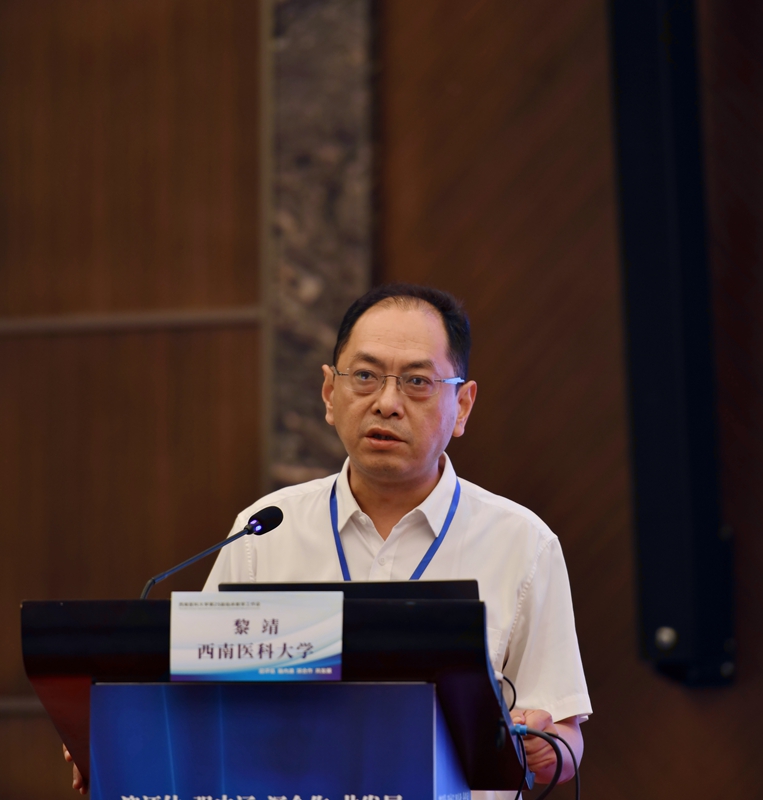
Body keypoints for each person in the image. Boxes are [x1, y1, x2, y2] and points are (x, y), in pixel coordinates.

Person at [65, 283, 591, 796]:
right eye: (364, 376)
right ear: (329, 394)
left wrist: (545, 748)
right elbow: (197, 700)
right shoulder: (262, 532)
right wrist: (119, 740)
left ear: (463, 406)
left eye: (417, 381)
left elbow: (565, 739)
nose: (387, 403)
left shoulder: (523, 544)